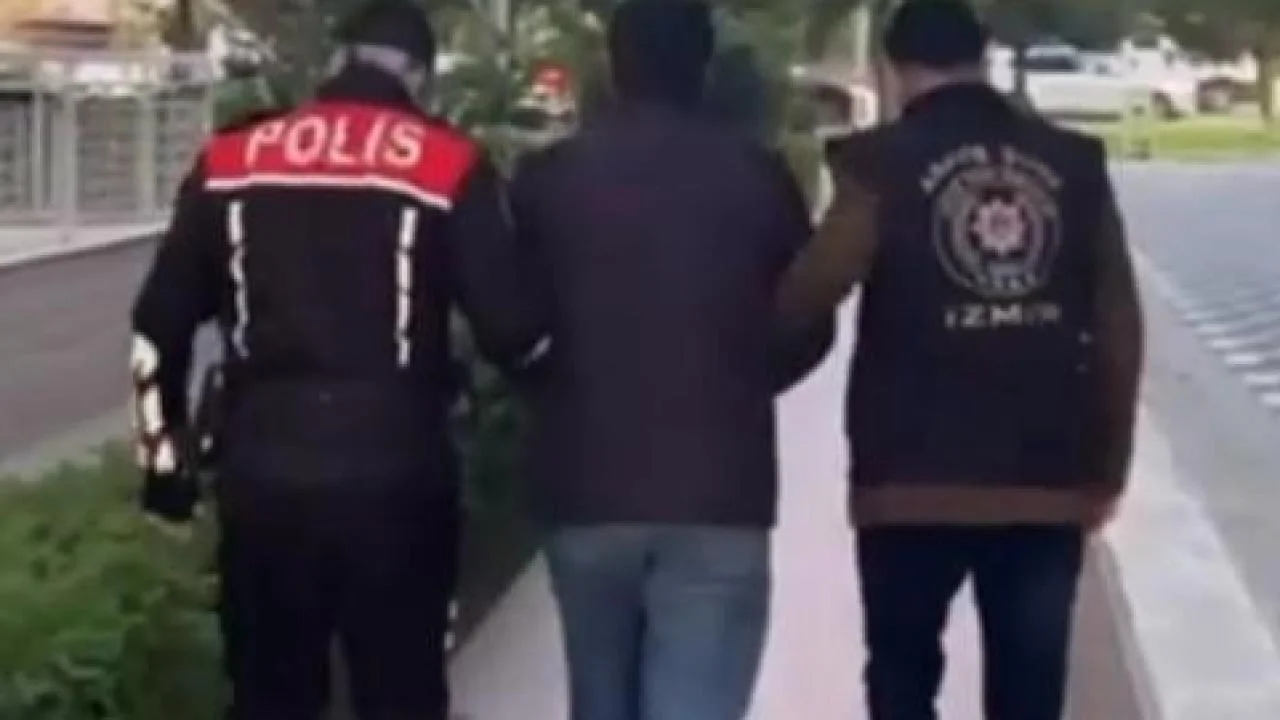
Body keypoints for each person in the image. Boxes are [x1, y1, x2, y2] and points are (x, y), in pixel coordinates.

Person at [128, 1, 545, 718]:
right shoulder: (447, 162)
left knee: (271, 695)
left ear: (335, 62)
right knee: (400, 692)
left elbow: (156, 325)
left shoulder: (232, 159)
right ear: (420, 76)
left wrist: (164, 465)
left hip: (262, 477)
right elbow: (511, 332)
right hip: (398, 477)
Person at [774, 2, 1144, 719]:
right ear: (984, 55)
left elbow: (813, 289)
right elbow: (1119, 327)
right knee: (1030, 688)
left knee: (903, 675)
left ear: (893, 66)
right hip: (1045, 473)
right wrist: (1108, 466)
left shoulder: (880, 164)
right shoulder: (1073, 163)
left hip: (909, 475)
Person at [507, 1, 833, 719]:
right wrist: (744, 383)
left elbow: (509, 322)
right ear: (704, 68)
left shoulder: (547, 177)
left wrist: (552, 389)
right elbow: (808, 319)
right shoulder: (759, 176)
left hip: (586, 484)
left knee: (600, 698)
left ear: (614, 66)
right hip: (719, 489)